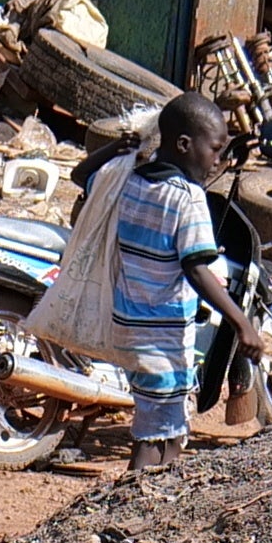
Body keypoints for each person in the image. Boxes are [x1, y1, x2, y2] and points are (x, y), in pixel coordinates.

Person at [103, 97, 230, 475]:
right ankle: (132, 507)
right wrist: (241, 322)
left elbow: (83, 177)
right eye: (216, 149)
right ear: (185, 145)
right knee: (152, 438)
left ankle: (159, 505)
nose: (218, 161)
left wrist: (116, 149)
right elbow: (197, 269)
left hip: (129, 324)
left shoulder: (130, 179)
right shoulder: (187, 198)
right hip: (162, 334)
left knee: (171, 430)